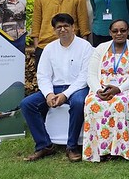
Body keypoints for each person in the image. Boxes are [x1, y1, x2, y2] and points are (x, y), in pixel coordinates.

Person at [21, 13, 94, 162]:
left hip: (78, 88)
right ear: (54, 30)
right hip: (54, 88)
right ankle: (44, 145)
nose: (62, 29)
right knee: (27, 104)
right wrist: (48, 94)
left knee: (79, 103)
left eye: (66, 26)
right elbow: (43, 75)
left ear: (73, 27)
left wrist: (65, 95)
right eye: (58, 27)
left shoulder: (85, 47)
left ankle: (72, 146)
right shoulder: (49, 49)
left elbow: (84, 76)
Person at [82, 19, 129, 162]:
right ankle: (99, 151)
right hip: (102, 88)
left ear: (128, 31)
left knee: (120, 103)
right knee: (91, 103)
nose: (119, 33)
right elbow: (91, 74)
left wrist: (118, 89)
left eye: (123, 30)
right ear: (110, 32)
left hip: (126, 88)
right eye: (115, 31)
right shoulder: (100, 48)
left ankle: (118, 151)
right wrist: (98, 90)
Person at [31, 0, 90, 64]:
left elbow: (83, 24)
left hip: (72, 46)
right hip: (45, 46)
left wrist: (82, 47)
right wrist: (37, 47)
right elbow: (36, 24)